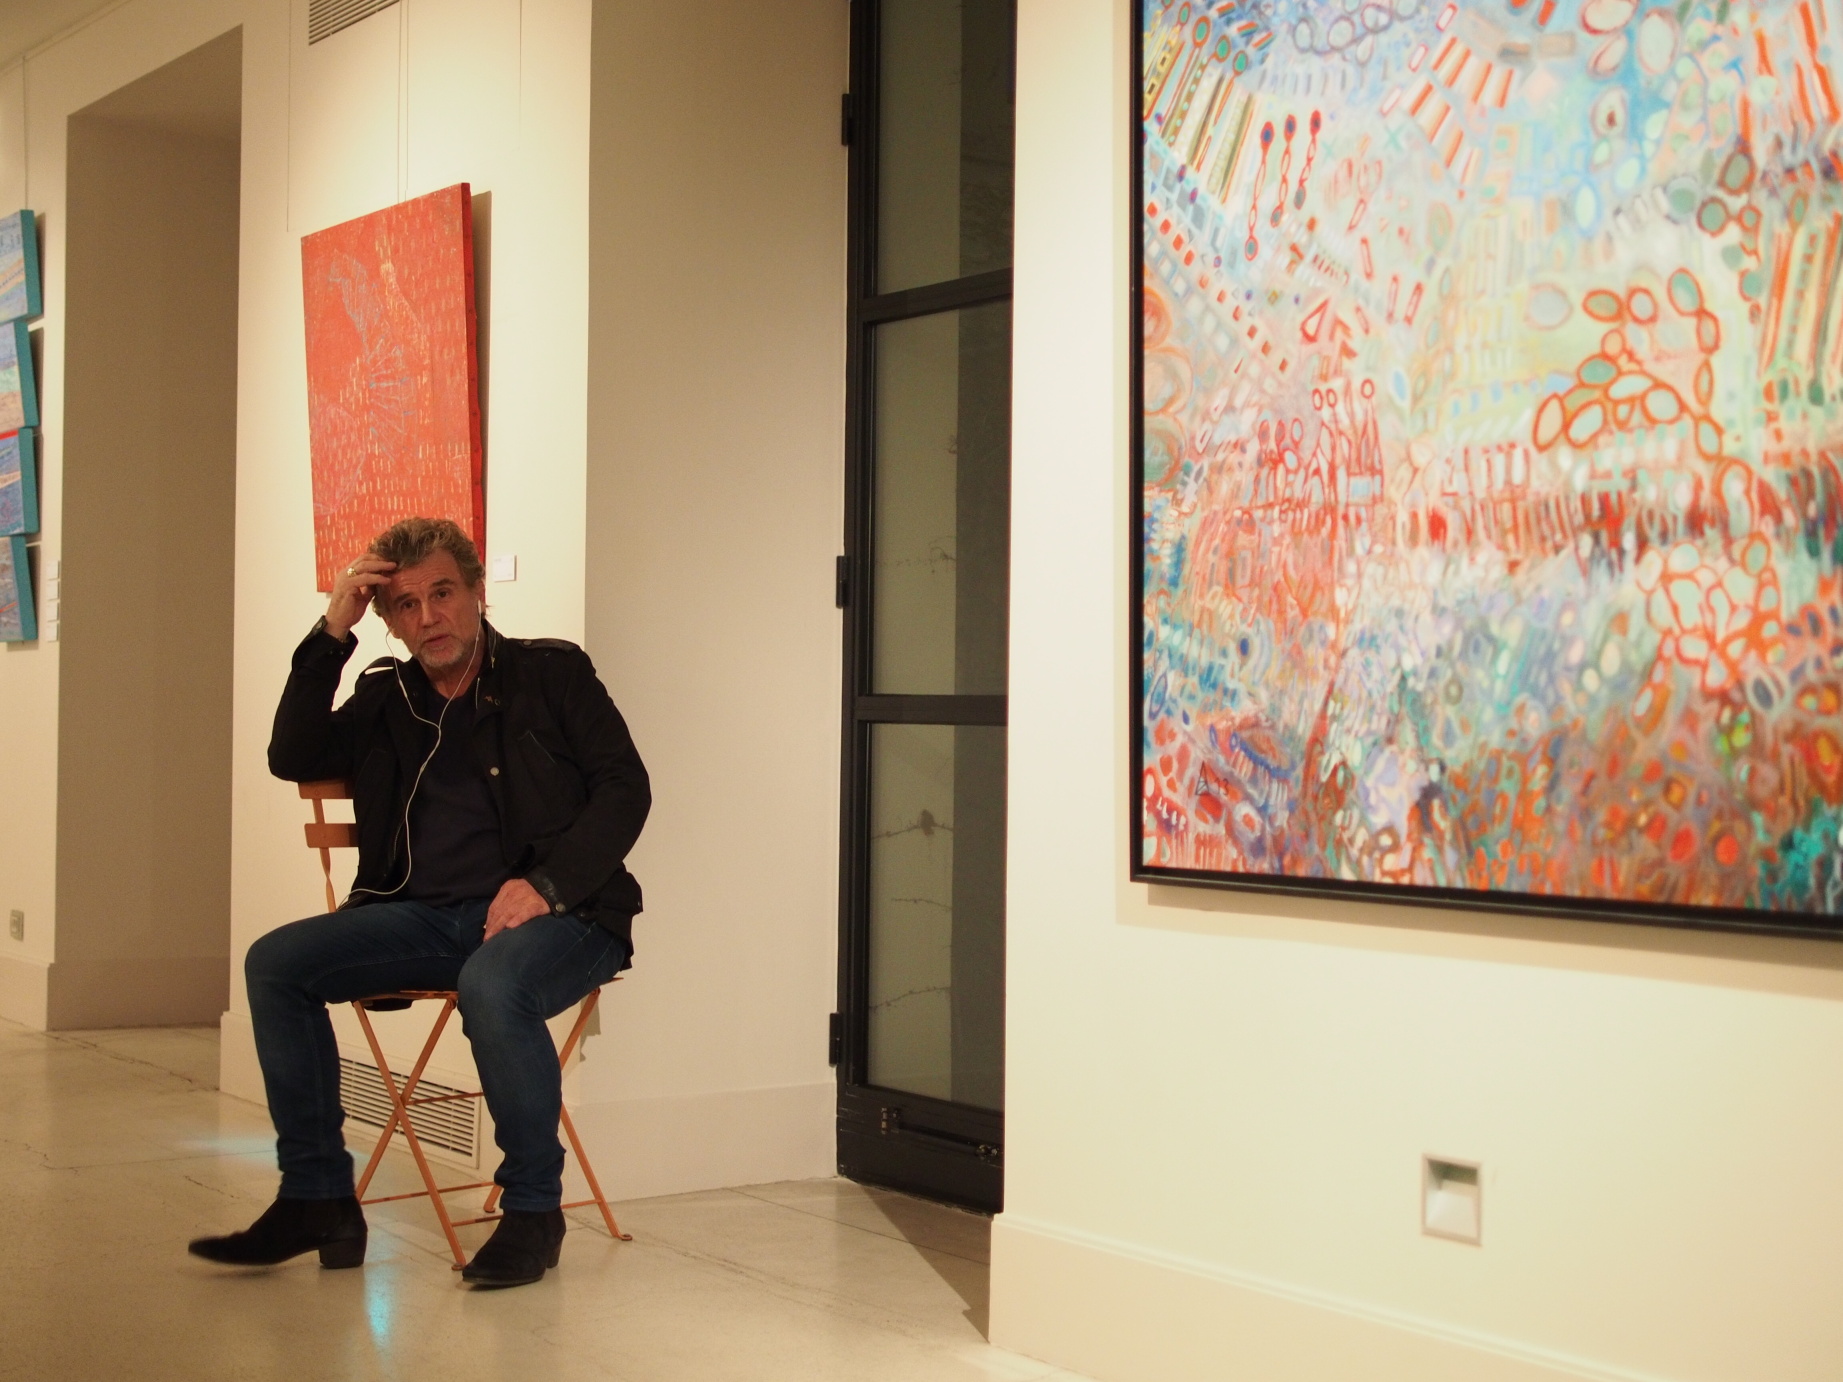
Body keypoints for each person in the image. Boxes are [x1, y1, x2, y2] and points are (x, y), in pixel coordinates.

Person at [188, 517, 650, 1288]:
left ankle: (533, 1211)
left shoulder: (551, 675)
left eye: (442, 593)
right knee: (275, 963)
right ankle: (317, 1198)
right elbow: (291, 754)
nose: (429, 616)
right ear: (389, 621)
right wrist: (332, 629)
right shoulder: (386, 697)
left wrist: (546, 886)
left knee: (492, 983)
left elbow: (624, 788)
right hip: (428, 918)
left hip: (567, 915)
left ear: (476, 592)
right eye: (405, 605)